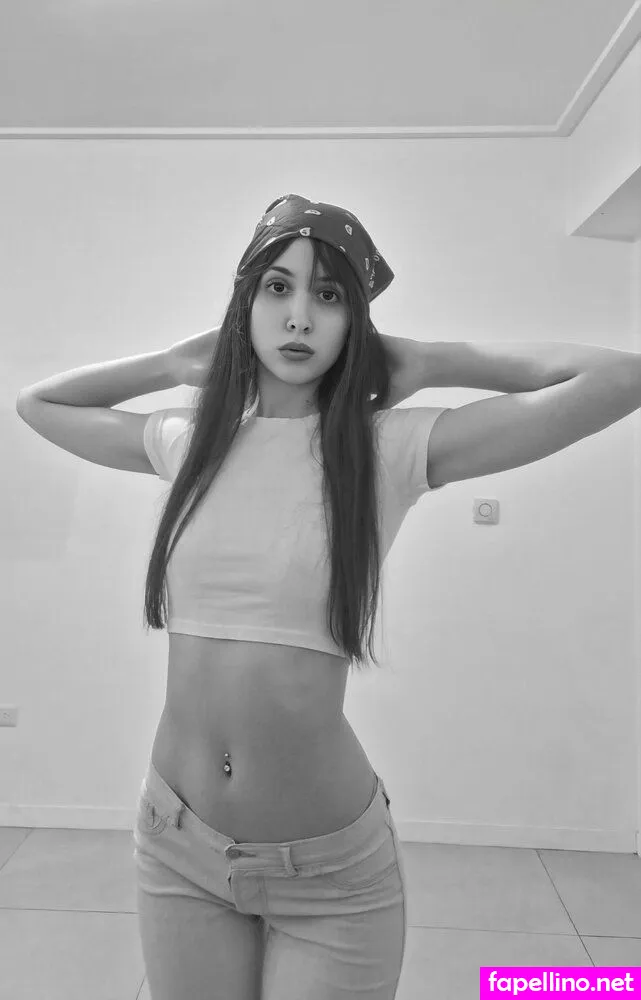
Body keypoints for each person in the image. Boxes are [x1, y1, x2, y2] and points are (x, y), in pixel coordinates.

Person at [16, 194, 452, 1000]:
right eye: (277, 287)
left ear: (355, 324)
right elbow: (38, 404)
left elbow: (615, 379)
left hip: (327, 874)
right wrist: (173, 363)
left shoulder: (383, 447)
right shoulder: (191, 442)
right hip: (178, 843)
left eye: (328, 295)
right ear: (244, 303)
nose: (299, 316)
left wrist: (429, 360)